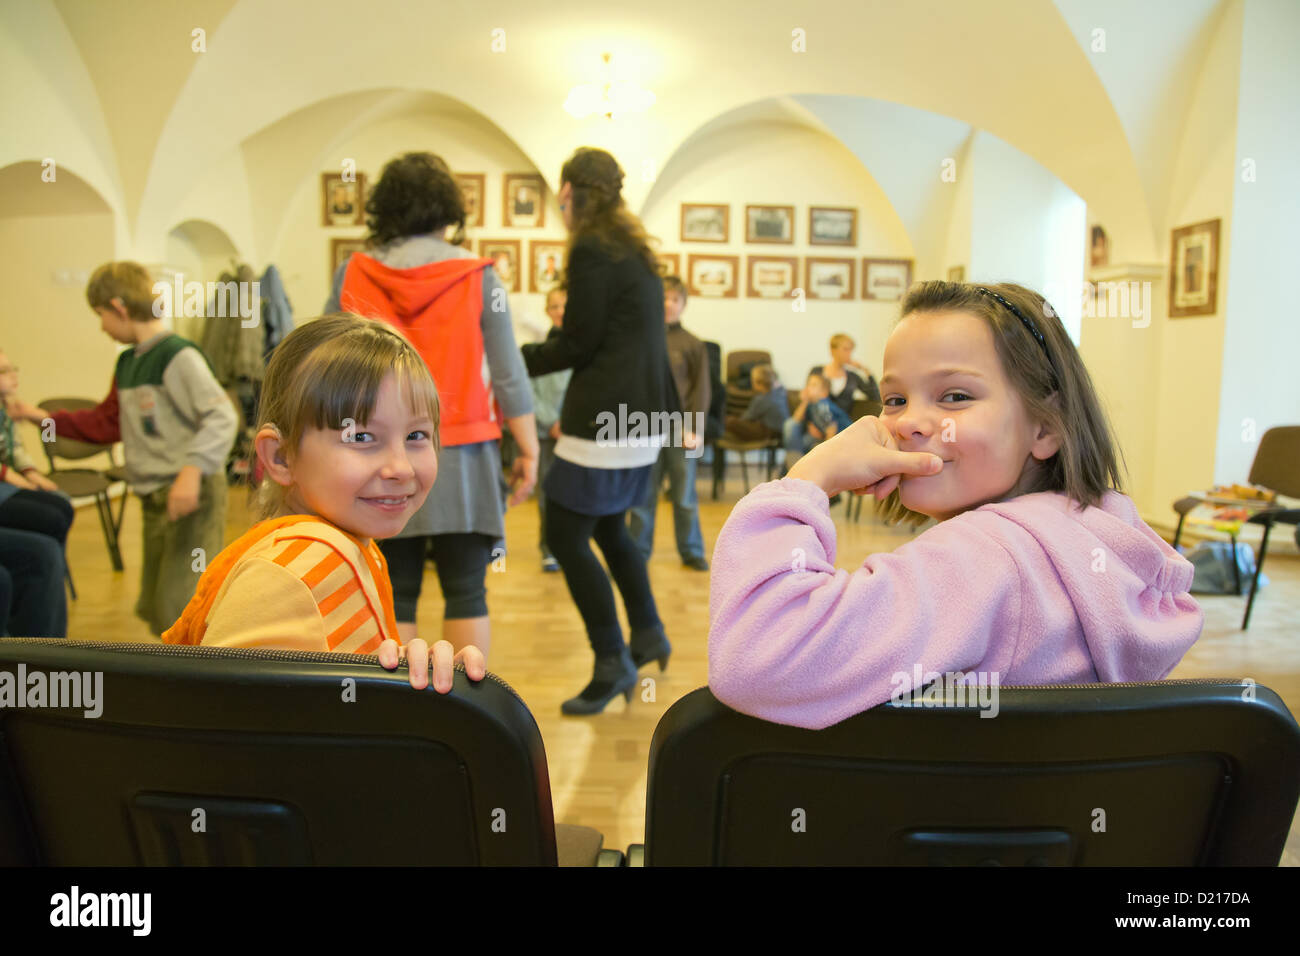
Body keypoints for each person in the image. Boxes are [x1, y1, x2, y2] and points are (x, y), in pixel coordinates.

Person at [708, 281, 1203, 730]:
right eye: (895, 399)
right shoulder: (1093, 538)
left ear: (1045, 427)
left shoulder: (983, 557)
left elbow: (754, 660)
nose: (910, 423)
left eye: (955, 396)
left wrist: (807, 478)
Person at [162, 315, 484, 691]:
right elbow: (223, 732)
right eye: (361, 437)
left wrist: (415, 687)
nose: (400, 467)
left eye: (416, 434)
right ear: (281, 458)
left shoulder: (345, 548)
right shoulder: (305, 567)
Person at [325, 151, 537, 658]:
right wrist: (529, 449)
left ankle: (401, 713)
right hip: (459, 454)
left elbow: (322, 370)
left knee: (391, 588)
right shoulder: (480, 276)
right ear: (449, 210)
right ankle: (466, 707)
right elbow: (508, 373)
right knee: (468, 588)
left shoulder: (351, 272)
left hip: (371, 455)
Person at [521, 146, 677, 716]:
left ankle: (612, 660)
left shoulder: (591, 245)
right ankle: (649, 632)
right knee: (610, 528)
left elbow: (577, 342)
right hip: (644, 417)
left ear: (570, 193)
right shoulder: (631, 245)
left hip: (608, 418)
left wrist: (511, 364)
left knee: (563, 535)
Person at [8, 262, 238, 635]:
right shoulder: (128, 362)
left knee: (181, 603)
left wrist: (192, 472)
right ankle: (171, 676)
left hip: (191, 497)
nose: (101, 326)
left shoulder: (178, 355)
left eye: (100, 315)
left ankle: (197, 683)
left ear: (118, 306)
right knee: (153, 605)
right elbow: (105, 424)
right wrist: (39, 418)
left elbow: (221, 417)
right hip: (153, 499)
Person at [628, 275, 710, 570]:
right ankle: (636, 552)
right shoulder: (639, 339)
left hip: (680, 429)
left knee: (684, 494)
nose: (668, 304)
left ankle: (691, 551)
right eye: (663, 297)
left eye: (675, 299)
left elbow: (701, 390)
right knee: (642, 495)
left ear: (683, 304)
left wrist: (694, 429)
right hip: (643, 427)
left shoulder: (692, 344)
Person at [1, 349, 74, 548]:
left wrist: (31, 473)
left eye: (13, 369)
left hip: (12, 480)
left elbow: (16, 449)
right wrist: (15, 479)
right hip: (6, 484)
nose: (14, 375)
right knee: (52, 516)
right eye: (4, 372)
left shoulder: (8, 409)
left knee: (62, 501)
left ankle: (57, 570)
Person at [531, 286, 571, 572]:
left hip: (576, 434)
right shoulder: (538, 352)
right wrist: (551, 422)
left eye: (565, 306)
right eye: (554, 306)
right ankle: (549, 548)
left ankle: (572, 548)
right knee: (548, 493)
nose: (560, 312)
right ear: (547, 311)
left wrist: (569, 423)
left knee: (575, 496)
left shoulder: (583, 351)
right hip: (546, 434)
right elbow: (528, 394)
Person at [811, 333, 881, 418]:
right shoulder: (817, 371)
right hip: (818, 421)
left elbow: (875, 396)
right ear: (833, 350)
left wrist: (865, 369)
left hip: (841, 423)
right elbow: (809, 398)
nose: (849, 353)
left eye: (851, 350)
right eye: (845, 349)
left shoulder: (853, 377)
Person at [783, 371, 851, 454]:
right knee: (804, 440)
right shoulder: (812, 404)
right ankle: (795, 460)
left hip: (843, 440)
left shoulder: (823, 405)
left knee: (809, 444)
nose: (808, 388)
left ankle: (796, 461)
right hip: (822, 437)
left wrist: (826, 453)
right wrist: (805, 401)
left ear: (824, 393)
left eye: (813, 385)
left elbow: (831, 429)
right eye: (808, 384)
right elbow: (796, 420)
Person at [724, 363, 787, 441]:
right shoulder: (780, 392)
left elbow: (747, 417)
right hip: (781, 431)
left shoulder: (761, 399)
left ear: (758, 382)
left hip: (768, 432)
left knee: (730, 421)